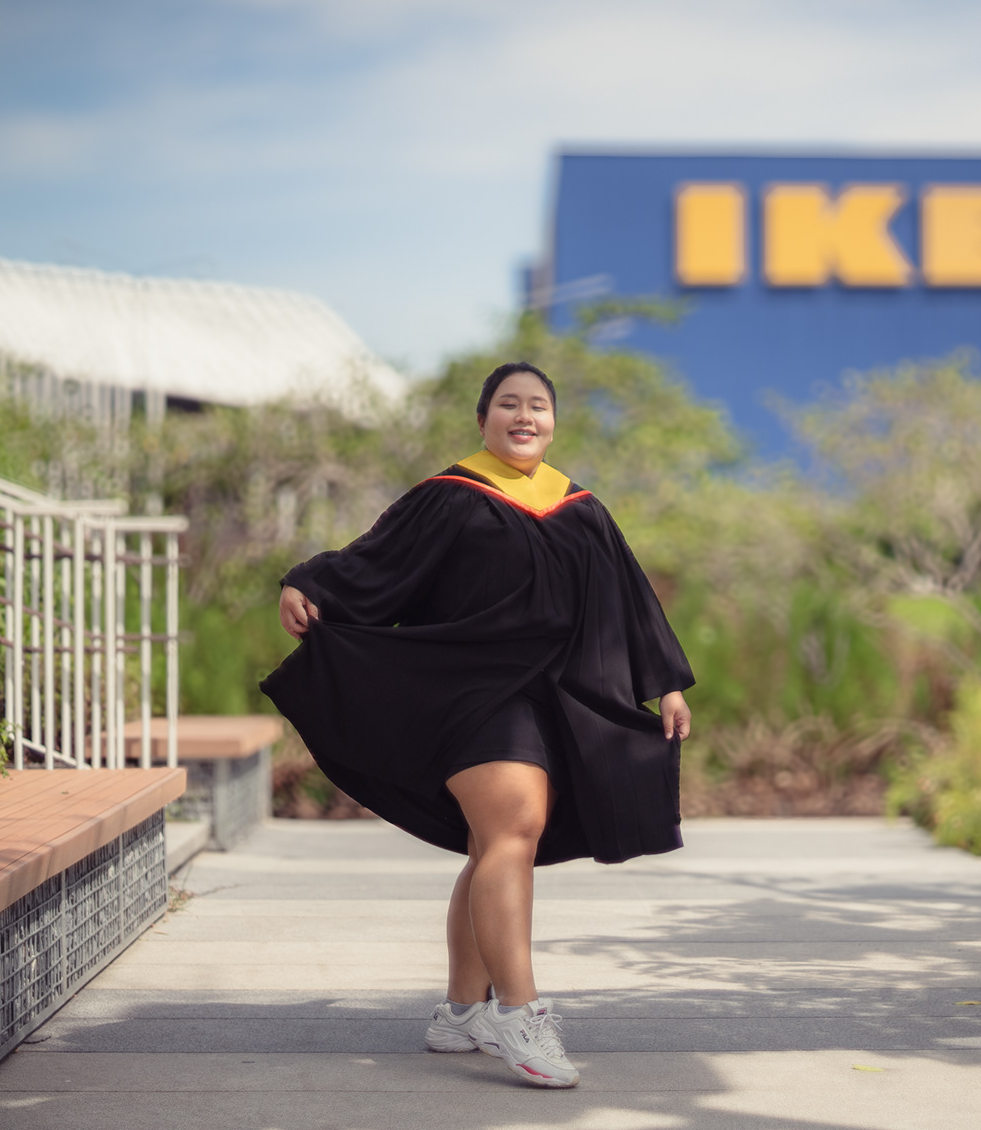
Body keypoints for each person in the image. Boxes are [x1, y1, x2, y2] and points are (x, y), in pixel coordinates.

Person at [260, 362, 694, 1090]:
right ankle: (519, 1011)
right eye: (509, 404)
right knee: (515, 827)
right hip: (469, 692)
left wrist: (666, 682)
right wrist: (307, 582)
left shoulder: (580, 507)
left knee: (493, 844)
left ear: (553, 421)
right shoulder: (451, 495)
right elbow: (375, 560)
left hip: (551, 696)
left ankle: (463, 1011)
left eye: (538, 406)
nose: (525, 416)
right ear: (484, 417)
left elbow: (627, 598)